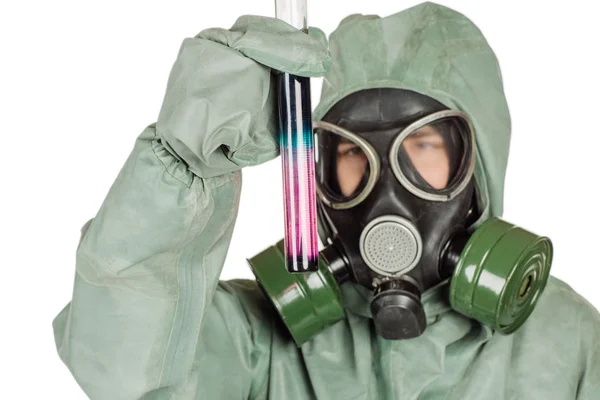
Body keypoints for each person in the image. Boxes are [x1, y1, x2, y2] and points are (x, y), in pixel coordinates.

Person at [53, 3, 600, 399]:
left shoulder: (568, 342)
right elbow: (121, 370)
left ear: (478, 166)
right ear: (316, 169)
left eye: (424, 147)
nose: (387, 190)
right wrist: (186, 160)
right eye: (352, 154)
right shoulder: (261, 337)